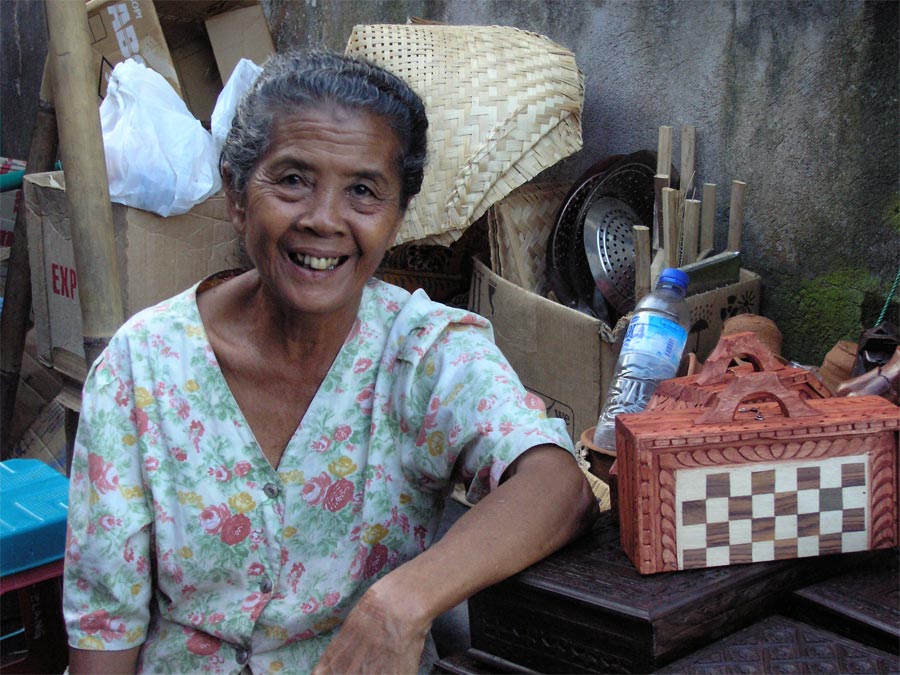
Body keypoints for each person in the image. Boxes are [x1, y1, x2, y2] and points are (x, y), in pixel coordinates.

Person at [63, 50, 598, 675]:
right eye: (291, 180)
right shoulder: (142, 367)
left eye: (364, 191)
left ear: (398, 217)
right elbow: (106, 623)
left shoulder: (420, 352)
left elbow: (557, 485)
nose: (323, 220)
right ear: (236, 195)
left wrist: (401, 603)